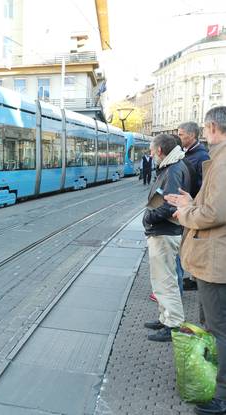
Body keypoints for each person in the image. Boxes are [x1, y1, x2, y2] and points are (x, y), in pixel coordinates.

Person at [166, 106, 226, 415]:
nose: (203, 134)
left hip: (217, 261)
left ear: (214, 127)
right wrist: (192, 201)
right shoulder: (217, 159)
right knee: (213, 324)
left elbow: (216, 213)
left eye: (204, 128)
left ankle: (221, 394)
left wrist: (186, 212)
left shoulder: (223, 160)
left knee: (218, 328)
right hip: (212, 259)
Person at [142, 133, 192, 342]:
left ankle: (172, 324)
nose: (151, 156)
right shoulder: (173, 166)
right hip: (164, 232)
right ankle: (165, 318)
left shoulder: (173, 169)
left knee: (166, 281)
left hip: (165, 232)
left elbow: (169, 204)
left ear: (160, 151)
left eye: (152, 152)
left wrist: (149, 218)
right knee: (161, 280)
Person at [176, 122, 211, 292]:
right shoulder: (189, 153)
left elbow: (204, 186)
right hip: (188, 206)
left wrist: (193, 203)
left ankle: (196, 279)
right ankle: (193, 277)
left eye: (181, 134)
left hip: (194, 208)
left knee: (193, 243)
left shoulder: (202, 156)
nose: (179, 137)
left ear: (192, 135)